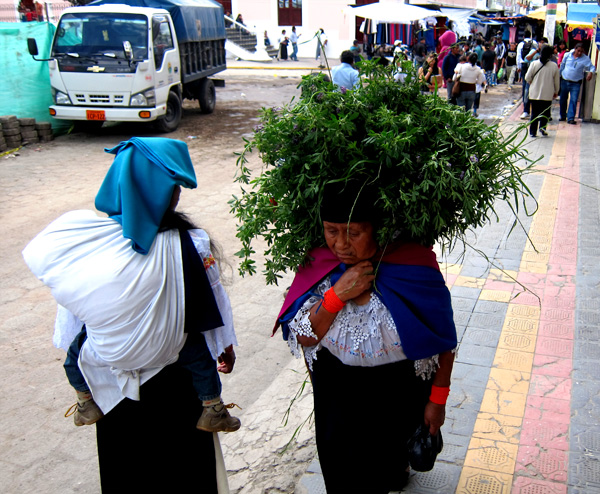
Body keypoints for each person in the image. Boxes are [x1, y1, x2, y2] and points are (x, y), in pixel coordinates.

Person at [23, 138, 240, 489]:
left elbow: (71, 325)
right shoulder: (191, 243)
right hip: (176, 384)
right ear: (166, 193)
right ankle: (214, 409)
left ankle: (85, 403)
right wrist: (224, 346)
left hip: (111, 386)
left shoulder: (86, 246)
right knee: (185, 472)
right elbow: (213, 306)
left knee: (125, 470)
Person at [275, 181, 457, 493]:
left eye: (354, 232)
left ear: (377, 229)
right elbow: (304, 336)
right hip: (337, 394)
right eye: (331, 230)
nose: (341, 244)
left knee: (388, 467)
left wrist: (437, 402)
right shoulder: (322, 264)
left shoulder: (414, 266)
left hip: (399, 393)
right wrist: (336, 295)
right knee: (343, 474)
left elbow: (443, 341)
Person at [526, 45, 560, 138]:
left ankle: (533, 132)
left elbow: (527, 77)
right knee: (545, 113)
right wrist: (556, 91)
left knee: (534, 113)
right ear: (550, 55)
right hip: (547, 94)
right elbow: (556, 81)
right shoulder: (554, 66)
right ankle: (543, 128)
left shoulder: (534, 64)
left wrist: (532, 82)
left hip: (534, 93)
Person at [559, 43, 596, 125]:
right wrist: (559, 76)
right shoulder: (567, 55)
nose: (579, 53)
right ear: (575, 49)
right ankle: (562, 116)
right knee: (563, 99)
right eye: (578, 51)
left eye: (581, 52)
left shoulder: (585, 59)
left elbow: (592, 67)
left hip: (576, 83)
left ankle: (571, 118)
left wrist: (591, 72)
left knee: (574, 100)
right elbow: (562, 65)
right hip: (565, 81)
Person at [516, 32, 538, 119]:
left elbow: (518, 56)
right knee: (532, 86)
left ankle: (525, 109)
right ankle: (531, 109)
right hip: (533, 66)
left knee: (525, 86)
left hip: (524, 65)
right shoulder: (535, 43)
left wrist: (518, 67)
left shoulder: (521, 44)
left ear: (524, 36)